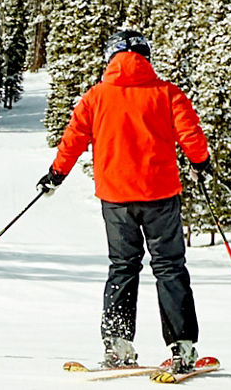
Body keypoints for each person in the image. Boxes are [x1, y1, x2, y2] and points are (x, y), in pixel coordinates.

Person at [40, 30, 213, 375]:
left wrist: (56, 174)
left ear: (111, 58)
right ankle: (182, 347)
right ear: (146, 57)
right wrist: (201, 162)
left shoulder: (96, 96)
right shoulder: (167, 93)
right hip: (160, 195)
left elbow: (73, 138)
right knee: (169, 267)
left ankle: (118, 345)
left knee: (122, 266)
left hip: (116, 198)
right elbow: (190, 133)